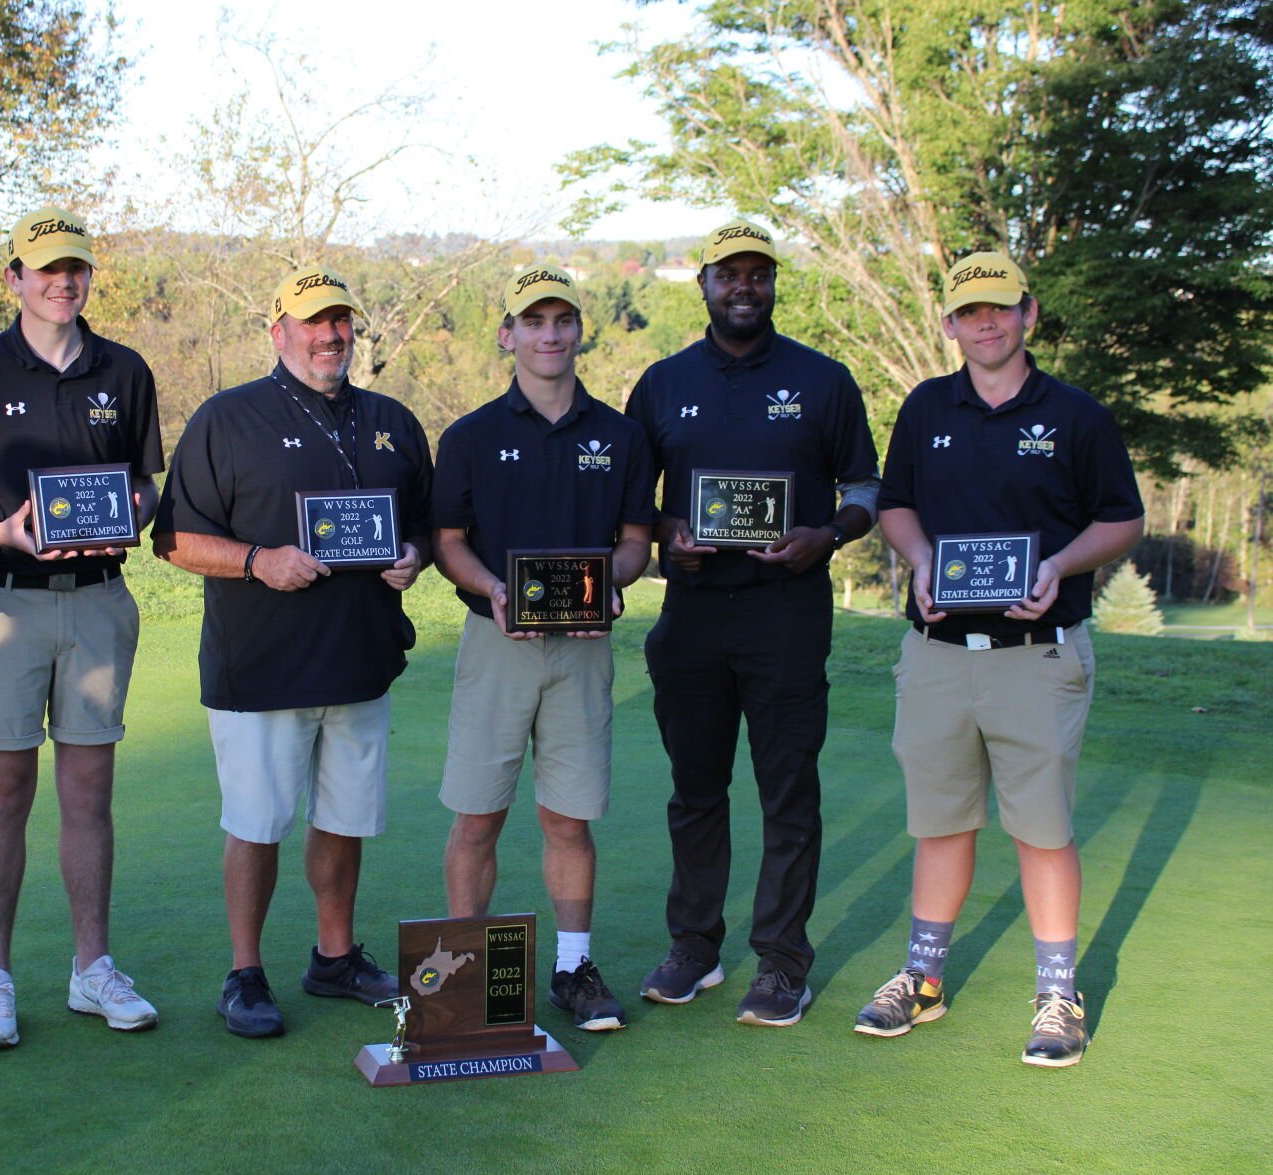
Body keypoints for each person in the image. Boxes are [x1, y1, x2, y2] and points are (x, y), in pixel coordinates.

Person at [854, 251, 1143, 1067]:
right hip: (938, 650)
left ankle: (1057, 993)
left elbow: (1121, 520)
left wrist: (1058, 566)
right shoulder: (923, 407)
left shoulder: (1077, 414)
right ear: (948, 324)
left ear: (1028, 314)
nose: (985, 323)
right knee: (941, 820)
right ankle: (922, 977)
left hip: (1036, 652)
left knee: (1042, 828)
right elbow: (896, 502)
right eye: (969, 311)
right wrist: (916, 558)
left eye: (999, 308)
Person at [153, 268, 432, 1038]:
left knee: (344, 819)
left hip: (361, 658)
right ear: (277, 330)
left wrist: (412, 553)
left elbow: (426, 527)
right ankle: (245, 971)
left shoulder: (390, 420)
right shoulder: (227, 417)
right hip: (261, 666)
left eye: (341, 321)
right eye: (312, 321)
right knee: (258, 823)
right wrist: (256, 561)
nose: (329, 335)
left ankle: (334, 957)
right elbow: (173, 538)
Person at [624, 219, 880, 1027]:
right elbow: (637, 507)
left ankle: (781, 961)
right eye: (727, 274)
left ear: (772, 284)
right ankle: (693, 947)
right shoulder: (662, 383)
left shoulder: (823, 379)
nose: (743, 287)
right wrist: (671, 538)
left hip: (786, 612)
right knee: (695, 790)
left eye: (757, 274)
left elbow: (866, 489)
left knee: (786, 793)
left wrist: (825, 536)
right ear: (701, 283)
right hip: (693, 614)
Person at [0, 207, 165, 1048]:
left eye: (76, 268)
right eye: (46, 268)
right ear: (13, 278)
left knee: (89, 790)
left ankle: (90, 968)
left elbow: (145, 484)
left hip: (99, 596)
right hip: (4, 600)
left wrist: (130, 513)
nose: (63, 281)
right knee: (5, 787)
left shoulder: (125, 370)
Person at [430, 264, 653, 1031]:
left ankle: (571, 967)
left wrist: (615, 585)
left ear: (578, 331)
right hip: (495, 641)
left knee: (568, 819)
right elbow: (447, 543)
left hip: (583, 649)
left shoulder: (620, 435)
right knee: (476, 817)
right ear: (507, 334)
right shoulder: (469, 435)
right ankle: (465, 974)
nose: (549, 334)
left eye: (562, 320)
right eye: (533, 321)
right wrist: (494, 588)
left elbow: (633, 542)